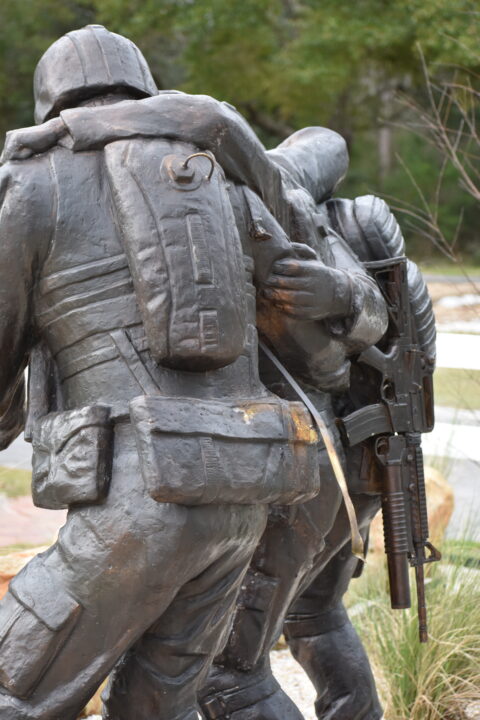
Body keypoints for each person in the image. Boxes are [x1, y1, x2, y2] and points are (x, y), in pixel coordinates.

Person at [0, 25, 389, 720]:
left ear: (51, 103)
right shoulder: (223, 180)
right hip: (238, 503)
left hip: (132, 507)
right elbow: (344, 328)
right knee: (160, 705)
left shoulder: (29, 186)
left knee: (15, 687)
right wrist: (334, 297)